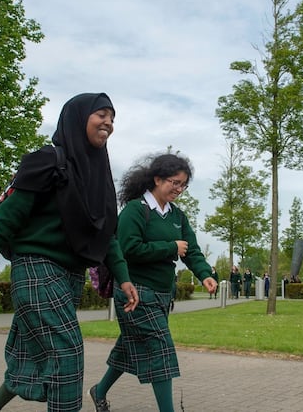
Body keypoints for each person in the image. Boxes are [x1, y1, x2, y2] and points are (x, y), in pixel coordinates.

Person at [0, 93, 140, 412]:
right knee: (67, 352)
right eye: (101, 114)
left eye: (112, 117)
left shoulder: (100, 177)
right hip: (36, 269)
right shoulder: (47, 161)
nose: (108, 122)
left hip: (70, 276)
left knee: (29, 359)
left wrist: (123, 278)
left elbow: (108, 235)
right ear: (78, 118)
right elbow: (5, 221)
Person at [89, 153, 217, 412]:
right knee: (161, 351)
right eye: (174, 182)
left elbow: (190, 250)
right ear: (157, 179)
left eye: (184, 185)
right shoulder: (136, 210)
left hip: (161, 295)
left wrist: (205, 274)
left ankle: (99, 391)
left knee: (129, 348)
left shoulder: (177, 216)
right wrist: (170, 248)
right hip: (135, 293)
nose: (179, 189)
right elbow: (127, 248)